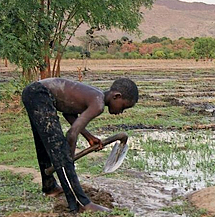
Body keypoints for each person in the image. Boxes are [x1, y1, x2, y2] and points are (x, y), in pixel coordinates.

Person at [22, 77, 138, 213]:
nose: (121, 112)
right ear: (116, 96)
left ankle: (50, 187)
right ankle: (81, 202)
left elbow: (69, 113)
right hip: (40, 94)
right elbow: (72, 133)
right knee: (58, 148)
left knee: (44, 142)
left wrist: (89, 137)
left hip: (33, 92)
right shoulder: (98, 103)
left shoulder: (95, 96)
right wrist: (68, 159)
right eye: (123, 106)